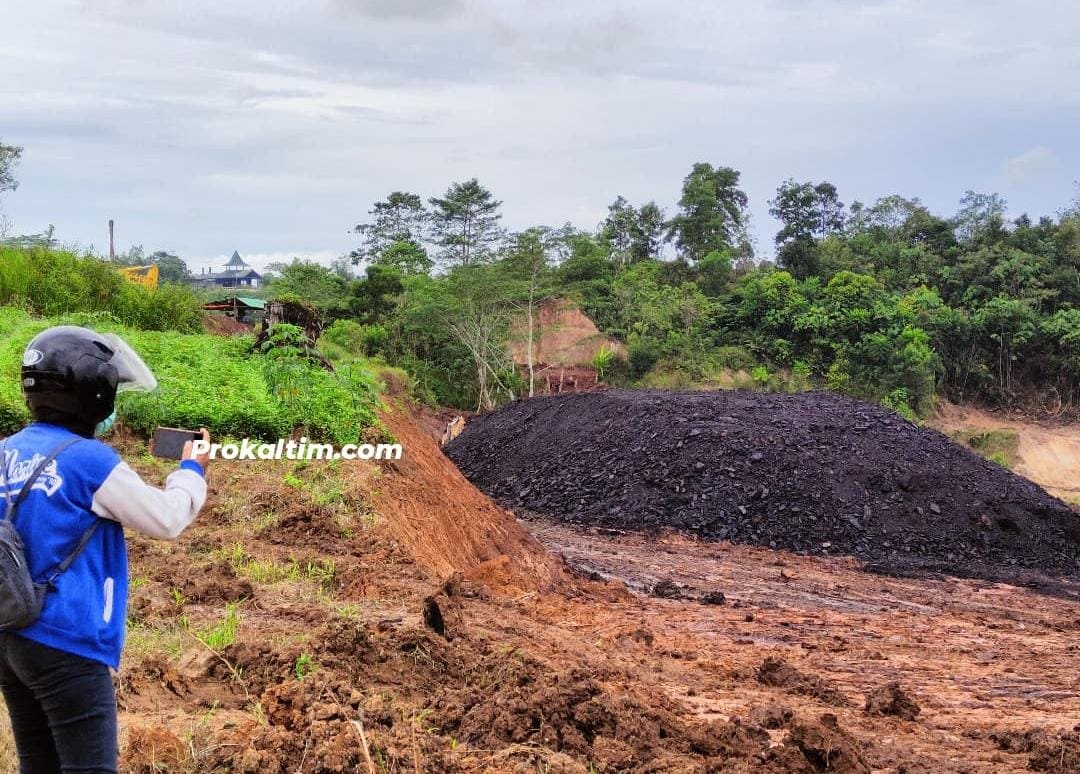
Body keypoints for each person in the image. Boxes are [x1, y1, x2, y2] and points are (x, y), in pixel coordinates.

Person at [0, 325, 209, 773]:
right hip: (67, 639)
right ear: (94, 392)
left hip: (11, 635)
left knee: (39, 764)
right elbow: (166, 518)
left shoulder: (5, 452)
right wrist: (191, 470)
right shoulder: (89, 460)